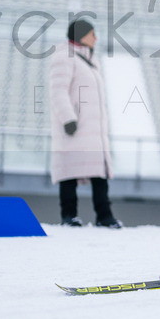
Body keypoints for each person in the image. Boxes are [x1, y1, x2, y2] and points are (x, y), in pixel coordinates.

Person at [49, 19, 122, 228]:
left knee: (99, 173)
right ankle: (68, 216)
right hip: (74, 126)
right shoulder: (64, 57)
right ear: (80, 36)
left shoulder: (90, 60)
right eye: (92, 34)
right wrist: (68, 119)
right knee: (69, 172)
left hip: (93, 130)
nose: (96, 38)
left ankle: (104, 215)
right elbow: (58, 90)